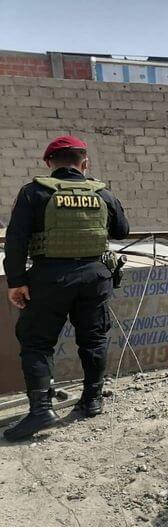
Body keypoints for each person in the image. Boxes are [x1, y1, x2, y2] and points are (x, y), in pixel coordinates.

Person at [3, 135, 129, 442]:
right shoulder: (102, 193)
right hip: (95, 276)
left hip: (50, 278)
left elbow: (16, 240)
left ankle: (41, 410)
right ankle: (92, 400)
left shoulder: (34, 192)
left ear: (49, 164)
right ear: (84, 163)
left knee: (36, 342)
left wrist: (16, 282)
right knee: (94, 337)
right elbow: (122, 231)